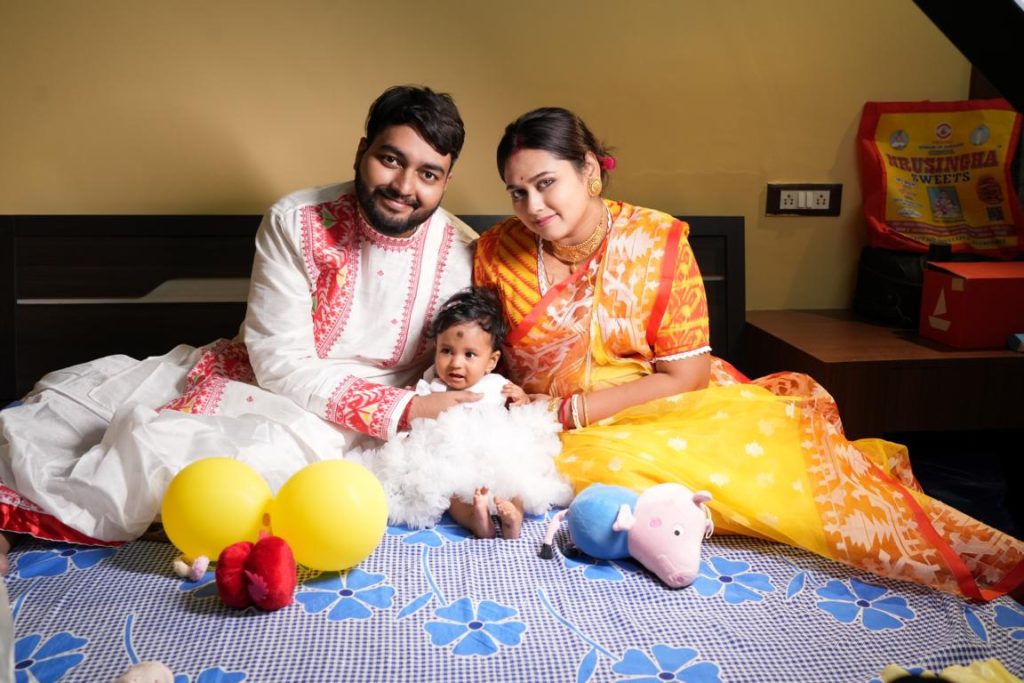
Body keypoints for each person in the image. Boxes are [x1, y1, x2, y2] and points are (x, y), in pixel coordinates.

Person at [474, 106, 1024, 601]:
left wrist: (570, 411)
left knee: (776, 468)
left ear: (590, 170)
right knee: (563, 470)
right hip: (541, 423)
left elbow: (685, 375)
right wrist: (508, 394)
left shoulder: (656, 240)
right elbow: (478, 350)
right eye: (517, 192)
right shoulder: (497, 251)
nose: (533, 206)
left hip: (654, 406)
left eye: (547, 183)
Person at [0, 85, 480, 573]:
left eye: (427, 174)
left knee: (239, 474)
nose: (404, 185)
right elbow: (278, 361)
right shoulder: (295, 221)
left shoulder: (465, 252)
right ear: (361, 151)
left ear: (446, 181)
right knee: (80, 427)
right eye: (391, 159)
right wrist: (407, 408)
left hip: (375, 428)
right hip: (271, 385)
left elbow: (477, 355)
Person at [348, 286, 572, 539]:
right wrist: (416, 399)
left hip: (491, 452)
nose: (456, 363)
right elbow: (416, 411)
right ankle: (477, 521)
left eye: (469, 355)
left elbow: (516, 413)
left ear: (491, 361)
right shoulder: (432, 382)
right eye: (446, 351)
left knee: (513, 479)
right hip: (448, 457)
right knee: (452, 492)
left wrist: (519, 399)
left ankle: (513, 518)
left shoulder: (497, 384)